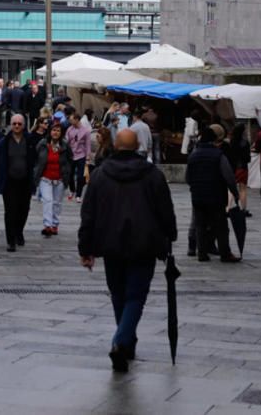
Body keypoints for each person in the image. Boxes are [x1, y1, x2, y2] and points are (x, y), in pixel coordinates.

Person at [78, 129, 177, 372]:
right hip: (144, 244)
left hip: (110, 244)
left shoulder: (100, 176)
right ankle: (122, 340)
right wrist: (169, 235)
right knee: (135, 297)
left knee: (118, 294)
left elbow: (88, 214)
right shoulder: (153, 175)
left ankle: (125, 340)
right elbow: (165, 209)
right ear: (138, 147)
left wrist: (86, 248)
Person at [187, 126, 241, 263]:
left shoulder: (193, 155)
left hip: (198, 196)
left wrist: (195, 187)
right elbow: (228, 176)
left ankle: (202, 253)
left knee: (200, 225)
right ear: (213, 141)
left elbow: (188, 177)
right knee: (221, 226)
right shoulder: (218, 155)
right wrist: (235, 192)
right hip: (216, 195)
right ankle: (225, 253)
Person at [0, 114, 37, 252]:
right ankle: (10, 240)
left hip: (25, 181)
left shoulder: (30, 140)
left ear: (23, 125)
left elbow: (36, 158)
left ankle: (19, 232)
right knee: (10, 211)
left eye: (19, 123)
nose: (17, 126)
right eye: (14, 124)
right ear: (11, 125)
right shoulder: (4, 142)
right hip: (9, 181)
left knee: (23, 209)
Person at [34, 122, 74, 236]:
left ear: (61, 133)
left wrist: (68, 173)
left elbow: (70, 160)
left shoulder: (65, 146)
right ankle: (47, 225)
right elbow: (36, 158)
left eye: (58, 130)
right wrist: (36, 172)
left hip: (60, 178)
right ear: (50, 131)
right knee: (47, 201)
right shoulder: (43, 144)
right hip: (45, 178)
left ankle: (55, 224)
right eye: (53, 130)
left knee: (57, 203)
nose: (55, 132)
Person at [65, 112, 91, 202]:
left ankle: (78, 195)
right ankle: (72, 189)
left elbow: (88, 144)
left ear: (77, 120)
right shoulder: (69, 129)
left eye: (71, 120)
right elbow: (66, 142)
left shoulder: (86, 131)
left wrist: (88, 157)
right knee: (70, 175)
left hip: (81, 155)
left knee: (80, 176)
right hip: (71, 155)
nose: (70, 121)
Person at [227, 124, 251, 215]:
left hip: (232, 168)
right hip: (242, 167)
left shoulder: (231, 142)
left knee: (231, 189)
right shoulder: (245, 143)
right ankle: (243, 209)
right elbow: (248, 158)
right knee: (243, 189)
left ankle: (228, 208)